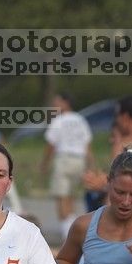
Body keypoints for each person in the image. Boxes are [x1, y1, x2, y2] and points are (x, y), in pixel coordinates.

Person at [41, 93, 94, 240]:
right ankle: (72, 229)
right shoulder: (80, 120)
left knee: (61, 196)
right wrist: (90, 164)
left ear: (65, 103)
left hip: (64, 159)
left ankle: (68, 235)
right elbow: (87, 144)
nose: (54, 104)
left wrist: (45, 163)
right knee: (71, 197)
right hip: (79, 160)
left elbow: (51, 144)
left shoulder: (59, 120)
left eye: (57, 102)